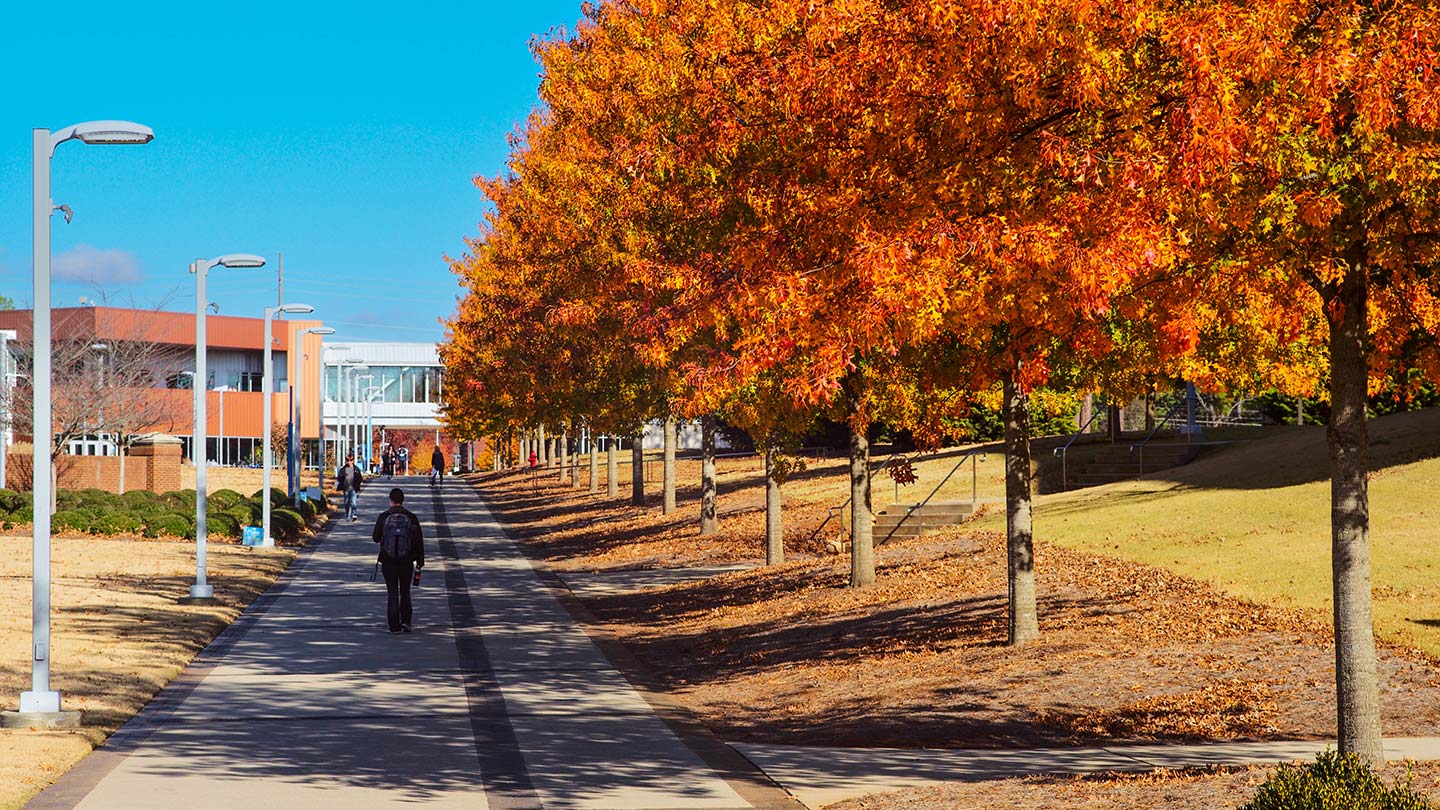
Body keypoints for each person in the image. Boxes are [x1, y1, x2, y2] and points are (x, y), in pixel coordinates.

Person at [371, 487, 424, 634]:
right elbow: (419, 541)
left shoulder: (384, 517)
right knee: (405, 591)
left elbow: (375, 538)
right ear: (403, 500)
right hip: (407, 561)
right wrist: (420, 561)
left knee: (392, 592)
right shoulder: (412, 517)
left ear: (391, 500)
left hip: (388, 561)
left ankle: (394, 626)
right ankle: (406, 621)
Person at [336, 453, 363, 521]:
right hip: (346, 488)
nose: (349, 461)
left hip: (353, 488)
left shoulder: (356, 469)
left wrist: (358, 484)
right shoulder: (343, 469)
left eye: (351, 460)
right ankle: (348, 515)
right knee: (347, 502)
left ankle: (354, 514)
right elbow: (339, 478)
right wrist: (342, 476)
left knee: (353, 502)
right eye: (348, 460)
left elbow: (360, 478)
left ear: (353, 460)